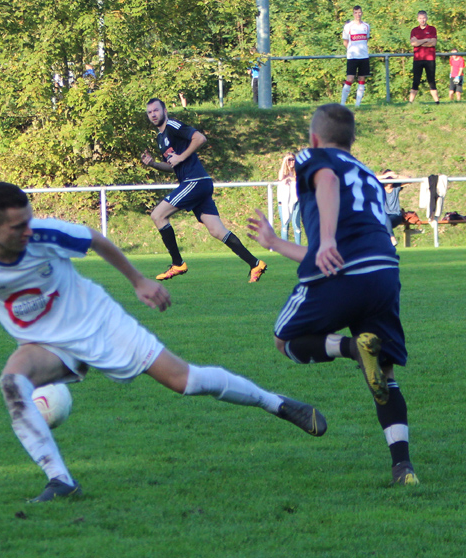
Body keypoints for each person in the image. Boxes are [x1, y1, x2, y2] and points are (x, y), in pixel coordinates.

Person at [0, 181, 327, 502]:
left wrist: (139, 280)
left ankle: (276, 403)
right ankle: (60, 480)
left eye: (29, 221)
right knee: (12, 381)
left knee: (185, 382)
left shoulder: (45, 234)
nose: (28, 231)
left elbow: (94, 239)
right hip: (45, 345)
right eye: (17, 227)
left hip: (98, 322)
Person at [246, 104, 418, 486]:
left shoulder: (315, 157)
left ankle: (353, 348)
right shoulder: (370, 178)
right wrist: (275, 243)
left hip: (344, 270)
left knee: (284, 338)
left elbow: (324, 181)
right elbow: (342, 240)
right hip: (384, 273)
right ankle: (403, 467)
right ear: (352, 141)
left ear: (313, 138)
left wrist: (324, 240)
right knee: (385, 374)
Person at [140, 98, 267, 282]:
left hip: (195, 181)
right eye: (150, 112)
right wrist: (152, 164)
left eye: (156, 110)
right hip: (198, 183)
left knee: (158, 215)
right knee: (217, 231)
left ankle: (178, 264)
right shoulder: (161, 139)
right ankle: (256, 264)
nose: (153, 114)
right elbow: (173, 165)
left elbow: (200, 138)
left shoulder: (172, 125)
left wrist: (181, 157)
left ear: (165, 110)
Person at [340, 6, 371, 107]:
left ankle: (358, 105)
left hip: (364, 56)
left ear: (362, 13)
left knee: (362, 79)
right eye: (356, 12)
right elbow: (345, 41)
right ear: (353, 13)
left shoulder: (366, 26)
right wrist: (351, 50)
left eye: (359, 12)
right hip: (352, 56)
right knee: (350, 79)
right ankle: (342, 104)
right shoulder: (348, 26)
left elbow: (366, 39)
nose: (358, 14)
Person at [409, 11, 439, 104]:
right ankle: (410, 102)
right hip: (418, 59)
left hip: (430, 59)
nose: (422, 20)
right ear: (418, 19)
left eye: (424, 18)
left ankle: (437, 101)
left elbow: (433, 43)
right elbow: (413, 43)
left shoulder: (432, 29)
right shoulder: (414, 30)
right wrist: (426, 40)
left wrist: (419, 42)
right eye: (421, 18)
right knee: (416, 80)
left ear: (427, 18)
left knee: (431, 80)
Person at [376, 169, 410, 246]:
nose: (390, 180)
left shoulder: (396, 187)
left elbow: (409, 179)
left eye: (392, 178)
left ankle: (391, 238)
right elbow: (367, 177)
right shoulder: (379, 187)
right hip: (383, 217)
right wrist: (384, 176)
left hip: (395, 215)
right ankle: (389, 240)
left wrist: (396, 176)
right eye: (388, 178)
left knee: (383, 221)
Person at [277, 153, 301, 244]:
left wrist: (290, 178)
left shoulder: (298, 171)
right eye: (289, 160)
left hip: (296, 200)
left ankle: (298, 246)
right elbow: (280, 177)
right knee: (285, 225)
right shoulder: (283, 172)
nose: (291, 162)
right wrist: (284, 161)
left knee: (296, 225)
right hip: (283, 201)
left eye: (292, 159)